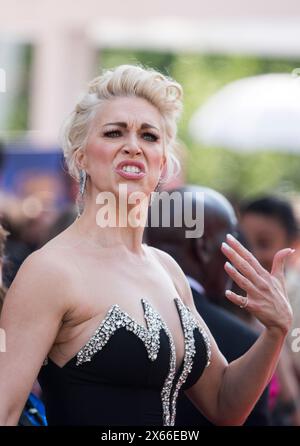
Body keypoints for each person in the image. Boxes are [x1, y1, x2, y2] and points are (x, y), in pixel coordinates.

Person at [0, 65, 294, 426]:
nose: (133, 146)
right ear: (81, 156)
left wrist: (275, 331)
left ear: (162, 164)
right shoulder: (50, 270)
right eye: (114, 132)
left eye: (149, 136)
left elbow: (224, 404)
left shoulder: (167, 269)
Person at [146, 185, 270, 425]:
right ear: (203, 248)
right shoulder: (246, 343)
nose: (237, 258)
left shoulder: (106, 309)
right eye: (230, 244)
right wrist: (276, 331)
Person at [239, 195, 300, 425]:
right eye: (243, 241)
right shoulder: (231, 292)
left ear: (293, 246)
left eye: (264, 244)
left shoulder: (295, 295)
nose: (251, 254)